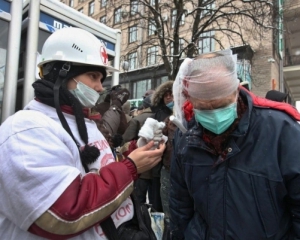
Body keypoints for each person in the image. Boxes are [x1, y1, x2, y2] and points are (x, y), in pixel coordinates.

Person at [0, 27, 165, 239]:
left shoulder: (83, 121)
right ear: (61, 73)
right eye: (93, 76)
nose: (99, 87)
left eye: (101, 79)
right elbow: (60, 214)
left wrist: (135, 152)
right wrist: (131, 167)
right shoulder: (25, 130)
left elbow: (96, 167)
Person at [169, 49, 300, 239]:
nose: (214, 114)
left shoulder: (281, 131)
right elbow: (180, 205)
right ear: (190, 100)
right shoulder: (186, 137)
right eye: (204, 108)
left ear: (236, 91)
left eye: (221, 105)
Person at [150, 80, 174, 213]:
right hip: (162, 166)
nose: (169, 97)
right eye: (166, 95)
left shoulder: (185, 113)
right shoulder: (158, 116)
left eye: (172, 94)